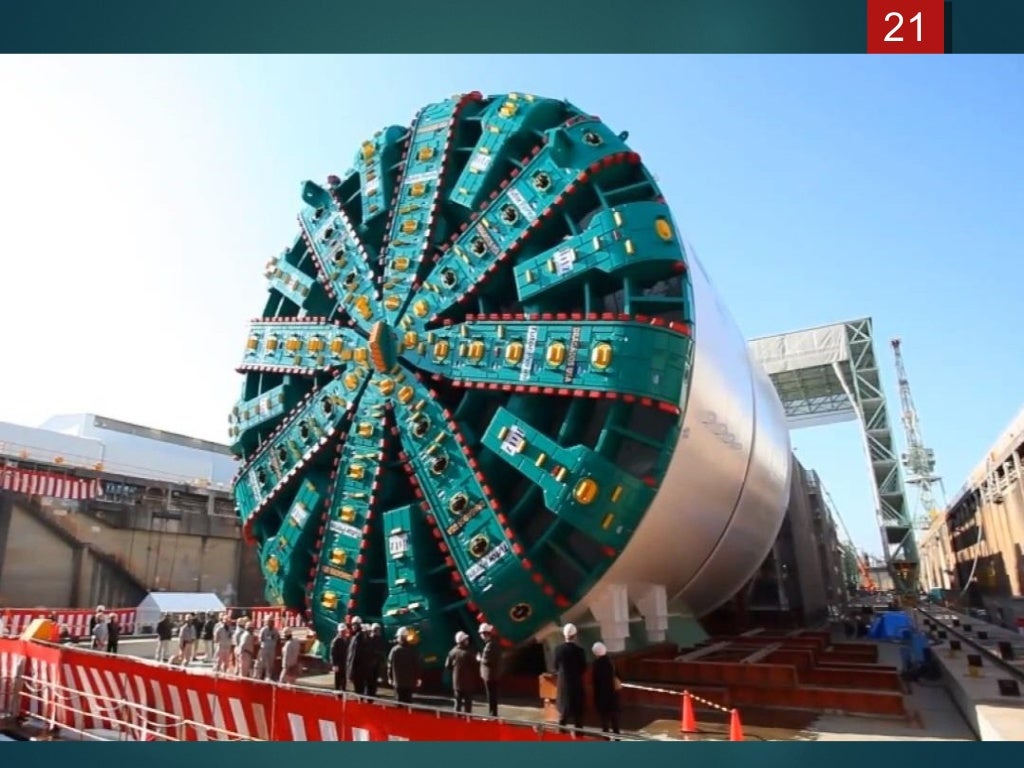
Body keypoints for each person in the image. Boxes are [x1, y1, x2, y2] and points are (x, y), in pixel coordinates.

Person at [554, 623, 586, 731]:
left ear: (564, 635)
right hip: (576, 683)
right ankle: (579, 736)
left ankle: (560, 735)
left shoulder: (558, 649)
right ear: (575, 635)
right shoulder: (580, 651)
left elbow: (555, 666)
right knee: (578, 715)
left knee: (563, 714)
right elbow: (583, 668)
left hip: (563, 684)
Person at [590, 642, 621, 735]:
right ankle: (617, 740)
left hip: (602, 697)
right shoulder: (611, 662)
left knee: (605, 723)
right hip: (613, 697)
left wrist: (595, 700)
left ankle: (606, 740)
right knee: (615, 722)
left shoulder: (596, 664)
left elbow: (596, 683)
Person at [387, 627, 421, 704]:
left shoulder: (394, 650)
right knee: (408, 703)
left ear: (399, 637)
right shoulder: (413, 650)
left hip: (398, 682)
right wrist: (418, 678)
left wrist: (390, 678)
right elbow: (417, 665)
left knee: (399, 704)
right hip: (409, 682)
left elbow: (389, 665)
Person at [445, 631, 476, 714]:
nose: (467, 641)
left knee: (457, 703)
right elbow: (474, 664)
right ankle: (468, 720)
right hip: (468, 683)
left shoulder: (452, 652)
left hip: (457, 683)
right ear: (463, 641)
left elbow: (447, 666)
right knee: (468, 704)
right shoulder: (468, 653)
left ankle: (457, 720)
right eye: (466, 639)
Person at [477, 622, 502, 717]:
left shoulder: (489, 645)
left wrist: (479, 659)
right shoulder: (495, 643)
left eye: (481, 634)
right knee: (493, 696)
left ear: (485, 633)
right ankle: (493, 714)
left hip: (489, 675)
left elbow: (486, 660)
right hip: (495, 674)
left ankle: (492, 715)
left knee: (491, 696)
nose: (480, 636)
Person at [346, 617, 375, 696]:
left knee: (359, 691)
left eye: (354, 625)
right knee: (360, 691)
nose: (353, 626)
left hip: (358, 671)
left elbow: (354, 656)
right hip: (361, 671)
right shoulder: (359, 637)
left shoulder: (358, 638)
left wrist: (350, 672)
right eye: (352, 625)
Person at [330, 624, 349, 692]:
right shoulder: (336, 641)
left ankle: (343, 692)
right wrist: (334, 665)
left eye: (344, 631)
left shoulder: (346, 639)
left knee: (343, 679)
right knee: (338, 680)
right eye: (342, 631)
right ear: (339, 631)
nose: (343, 632)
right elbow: (333, 653)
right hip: (338, 664)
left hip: (344, 663)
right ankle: (338, 694)